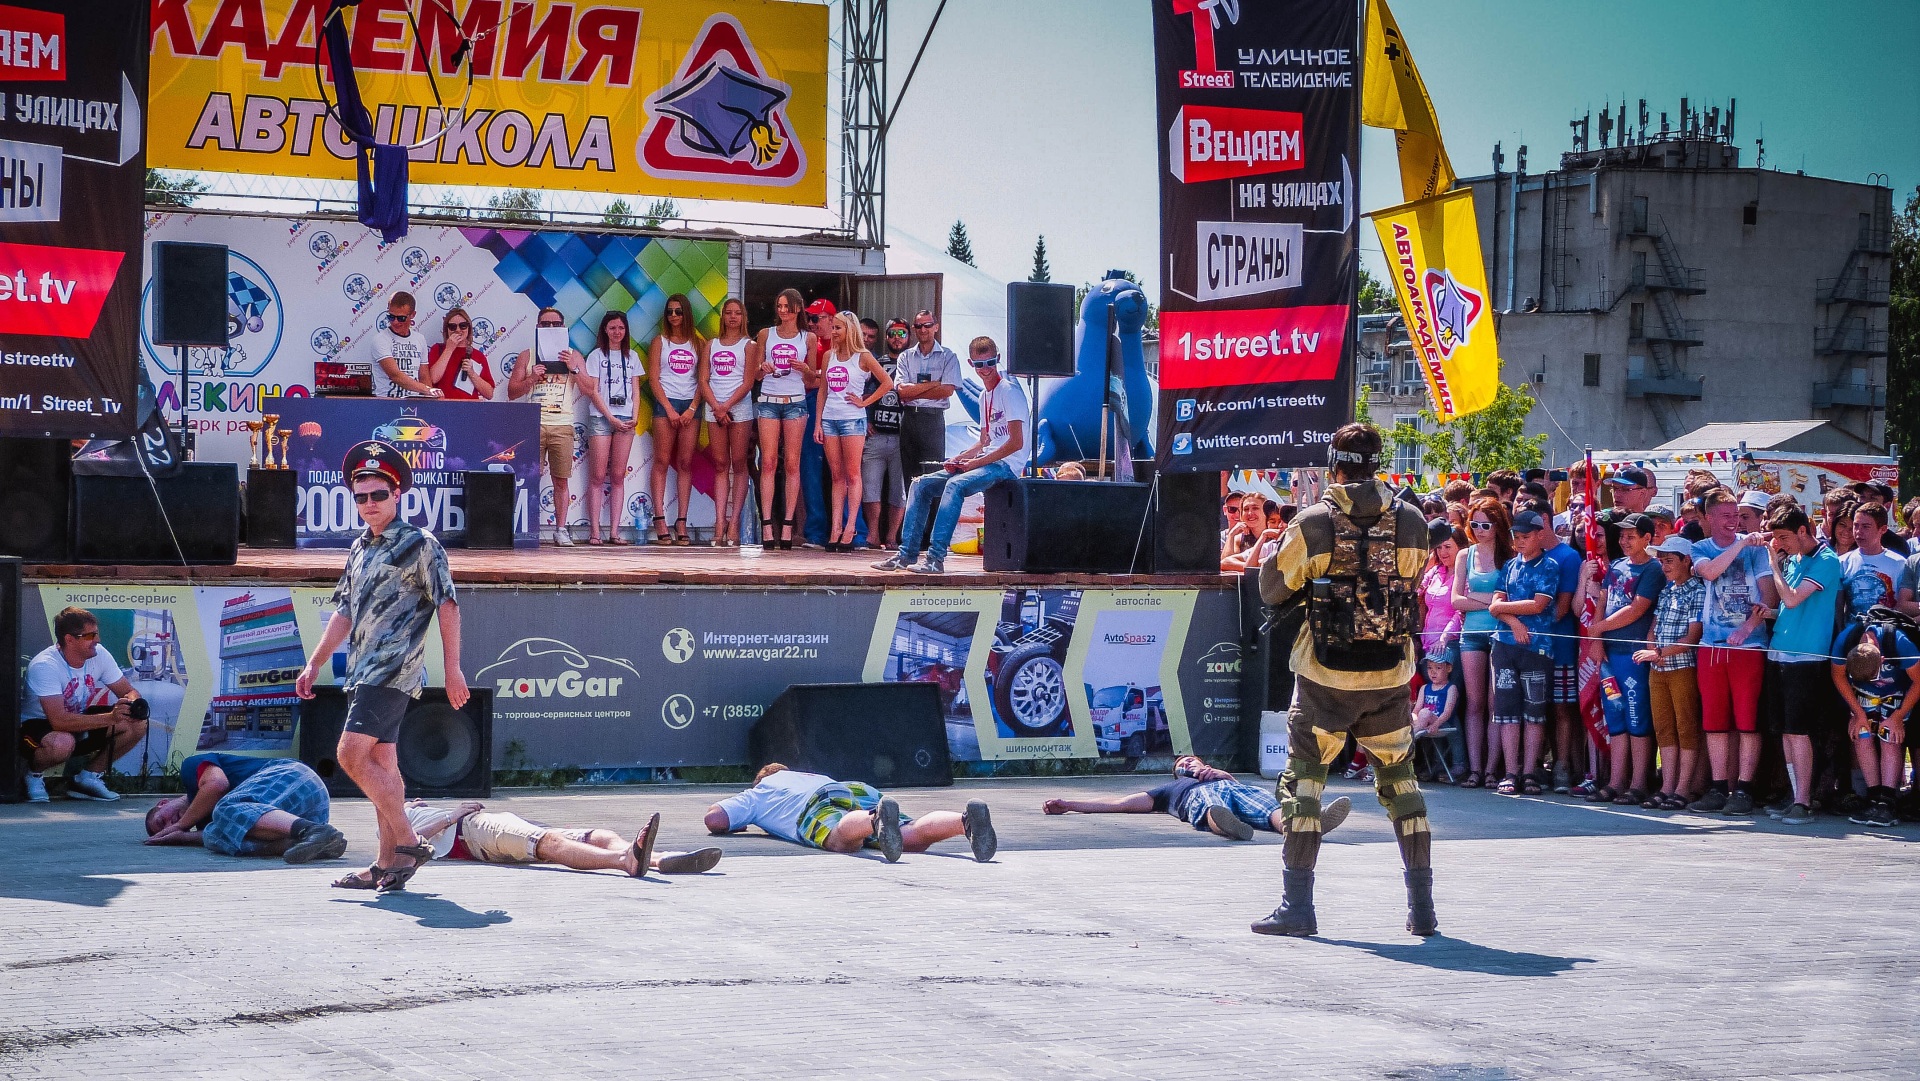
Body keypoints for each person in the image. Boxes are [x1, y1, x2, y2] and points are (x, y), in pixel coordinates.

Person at [1253, 422, 1436, 938]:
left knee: (1303, 785)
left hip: (1324, 677)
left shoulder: (1313, 522)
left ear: (1334, 465)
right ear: (1378, 464)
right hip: (1390, 674)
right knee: (1401, 784)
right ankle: (1422, 909)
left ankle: (1297, 907)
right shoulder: (1414, 521)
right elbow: (1409, 583)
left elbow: (1271, 589)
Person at [294, 440, 467, 894]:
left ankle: (409, 841)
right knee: (381, 765)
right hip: (361, 670)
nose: (369, 503)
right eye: (361, 497)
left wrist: (453, 670)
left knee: (350, 755)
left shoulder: (420, 544)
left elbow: (448, 606)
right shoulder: (359, 547)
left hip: (393, 669)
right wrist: (314, 663)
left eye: (378, 495)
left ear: (397, 495)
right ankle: (386, 864)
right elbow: (344, 611)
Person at [873, 337, 1027, 575]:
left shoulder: (1009, 391)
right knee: (920, 484)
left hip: (1005, 465)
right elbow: (984, 441)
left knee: (955, 485)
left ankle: (935, 558)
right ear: (971, 364)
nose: (985, 369)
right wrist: (959, 458)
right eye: (979, 364)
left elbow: (1016, 443)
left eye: (990, 363)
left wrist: (975, 463)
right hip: (987, 461)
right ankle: (906, 554)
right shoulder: (985, 396)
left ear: (998, 359)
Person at [1687, 487, 1779, 815]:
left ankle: (1744, 788)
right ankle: (1717, 786)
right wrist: (1739, 543)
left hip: (1749, 646)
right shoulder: (1700, 547)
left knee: (1747, 721)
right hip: (1712, 645)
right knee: (1714, 721)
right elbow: (1710, 572)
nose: (1733, 521)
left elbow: (1769, 597)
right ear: (1709, 517)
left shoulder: (1757, 551)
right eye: (1726, 515)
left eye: (1737, 515)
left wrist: (1747, 629)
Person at [703, 763, 996, 863]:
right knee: (911, 836)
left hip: (816, 803)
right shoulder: (805, 775)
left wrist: (738, 822)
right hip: (849, 788)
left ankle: (874, 819)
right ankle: (964, 822)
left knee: (839, 839)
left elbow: (714, 819)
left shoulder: (759, 791)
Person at [1042, 756, 1352, 841]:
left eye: (1191, 760)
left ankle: (1304, 827)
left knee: (1265, 806)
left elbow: (1239, 788)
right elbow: (1120, 804)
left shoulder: (1223, 775)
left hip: (1237, 789)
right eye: (1182, 765)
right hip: (1201, 797)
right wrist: (1070, 805)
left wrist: (1220, 773)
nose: (1188, 765)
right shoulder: (1173, 789)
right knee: (1210, 804)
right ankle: (1227, 826)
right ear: (1178, 775)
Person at [15, 606, 147, 803]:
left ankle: (87, 778)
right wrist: (111, 718)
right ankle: (33, 775)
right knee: (62, 743)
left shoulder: (99, 654)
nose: (97, 640)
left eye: (97, 634)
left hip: (77, 719)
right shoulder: (45, 665)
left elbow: (129, 691)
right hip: (38, 725)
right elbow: (59, 721)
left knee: (137, 724)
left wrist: (132, 703)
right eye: (90, 635)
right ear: (69, 639)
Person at [1763, 502, 1842, 823]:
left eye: (1784, 536)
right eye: (1776, 538)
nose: (1779, 543)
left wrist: (1773, 566)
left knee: (1799, 731)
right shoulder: (1794, 559)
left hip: (1807, 657)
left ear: (1802, 531)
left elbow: (1793, 598)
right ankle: (1794, 795)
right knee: (1785, 731)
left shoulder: (1827, 559)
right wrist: (1767, 613)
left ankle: (1804, 801)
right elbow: (1787, 606)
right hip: (1779, 651)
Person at [403, 800, 725, 876]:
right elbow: (409, 842)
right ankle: (625, 860)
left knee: (597, 835)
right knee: (550, 845)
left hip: (483, 836)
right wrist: (454, 815)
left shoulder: (414, 807)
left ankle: (658, 859)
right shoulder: (395, 814)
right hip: (473, 831)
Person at [1583, 513, 1664, 805]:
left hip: (1634, 654)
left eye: (1631, 536)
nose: (1624, 541)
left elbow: (1637, 609)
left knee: (1636, 716)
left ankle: (1639, 782)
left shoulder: (1653, 570)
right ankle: (1616, 781)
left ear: (1647, 538)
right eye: (1621, 536)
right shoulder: (1616, 566)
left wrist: (1598, 629)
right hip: (1610, 654)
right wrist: (1596, 639)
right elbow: (1603, 602)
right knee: (1615, 716)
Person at [144, 754, 347, 861]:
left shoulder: (191, 767)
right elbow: (213, 835)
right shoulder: (208, 822)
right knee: (215, 838)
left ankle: (311, 831)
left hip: (294, 776)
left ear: (162, 803)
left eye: (162, 820)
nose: (169, 825)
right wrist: (182, 837)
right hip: (312, 812)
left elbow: (217, 785)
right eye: (166, 829)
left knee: (224, 809)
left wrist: (179, 825)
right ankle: (314, 843)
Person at [1487, 509, 1561, 797]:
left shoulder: (1549, 565)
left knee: (1534, 711)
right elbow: (1495, 603)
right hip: (1505, 644)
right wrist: (1514, 622)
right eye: (1516, 536)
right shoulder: (1509, 565)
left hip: (1537, 646)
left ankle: (1530, 771)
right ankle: (1510, 772)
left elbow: (1538, 604)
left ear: (1540, 535)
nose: (1519, 541)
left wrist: (1501, 609)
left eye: (1525, 537)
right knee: (1506, 711)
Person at [506, 307, 592, 547]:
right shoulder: (527, 355)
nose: (551, 328)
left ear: (564, 327)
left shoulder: (573, 355)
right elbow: (512, 392)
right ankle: (522, 527)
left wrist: (574, 368)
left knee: (561, 480)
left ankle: (561, 529)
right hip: (533, 422)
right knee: (527, 477)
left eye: (556, 324)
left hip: (562, 424)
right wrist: (531, 378)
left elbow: (589, 389)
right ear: (537, 327)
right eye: (545, 324)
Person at [814, 311, 894, 553]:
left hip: (852, 420)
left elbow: (887, 383)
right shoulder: (828, 356)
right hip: (830, 418)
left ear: (850, 330)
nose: (834, 332)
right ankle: (835, 528)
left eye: (838, 327)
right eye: (833, 327)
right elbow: (823, 391)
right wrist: (818, 423)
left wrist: (864, 402)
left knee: (853, 474)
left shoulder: (863, 356)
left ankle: (850, 528)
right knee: (836, 476)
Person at [1635, 536, 1705, 810]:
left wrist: (1659, 653)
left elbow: (1693, 637)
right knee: (1663, 728)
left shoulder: (1697, 591)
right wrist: (1653, 647)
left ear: (1686, 561)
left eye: (1670, 560)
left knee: (1686, 727)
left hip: (1683, 668)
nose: (1664, 566)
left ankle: (1683, 788)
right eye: (1662, 561)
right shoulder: (1667, 590)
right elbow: (1653, 627)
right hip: (1659, 667)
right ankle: (1667, 786)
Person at [1830, 615, 1919, 828]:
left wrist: (1898, 717)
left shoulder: (1899, 642)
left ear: (1882, 660)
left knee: (1890, 738)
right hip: (1862, 693)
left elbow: (1919, 681)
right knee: (1861, 735)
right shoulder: (1845, 640)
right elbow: (1838, 676)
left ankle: (1887, 801)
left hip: (1896, 691)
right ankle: (1873, 797)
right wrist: (1857, 713)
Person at [1452, 497, 1512, 789]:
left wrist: (1478, 600)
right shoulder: (1465, 554)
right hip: (1472, 634)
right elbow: (1456, 600)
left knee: (1494, 703)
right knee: (1474, 703)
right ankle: (1475, 769)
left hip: (1501, 633)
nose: (1479, 530)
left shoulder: (1510, 555)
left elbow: (1510, 598)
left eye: (1485, 525)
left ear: (1498, 525)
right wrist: (1492, 603)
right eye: (1474, 524)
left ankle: (1491, 769)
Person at [754, 288, 819, 549]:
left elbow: (811, 379)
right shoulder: (765, 334)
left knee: (792, 463)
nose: (783, 311)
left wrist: (805, 368)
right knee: (768, 462)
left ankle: (789, 524)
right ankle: (767, 524)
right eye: (779, 306)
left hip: (795, 401)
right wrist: (763, 367)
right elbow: (756, 375)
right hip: (769, 399)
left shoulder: (808, 337)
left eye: (787, 307)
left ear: (798, 308)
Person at [647, 293, 703, 547]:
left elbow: (703, 380)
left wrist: (692, 408)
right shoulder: (660, 341)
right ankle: (659, 518)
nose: (673, 316)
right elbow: (653, 378)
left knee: (685, 462)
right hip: (665, 403)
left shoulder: (698, 343)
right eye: (669, 311)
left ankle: (681, 520)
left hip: (690, 405)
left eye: (678, 311)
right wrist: (669, 409)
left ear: (686, 313)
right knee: (661, 460)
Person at [700, 297, 757, 547]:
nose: (733, 317)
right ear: (722, 316)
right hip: (714, 407)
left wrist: (727, 406)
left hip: (739, 408)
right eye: (728, 312)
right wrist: (717, 407)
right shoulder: (711, 345)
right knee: (720, 464)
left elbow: (748, 381)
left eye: (737, 313)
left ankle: (734, 523)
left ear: (743, 317)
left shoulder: (749, 345)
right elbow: (703, 379)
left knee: (739, 463)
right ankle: (719, 522)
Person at [583, 311, 642, 545]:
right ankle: (595, 532)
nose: (617, 332)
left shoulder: (632, 356)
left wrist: (634, 417)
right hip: (601, 417)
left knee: (618, 476)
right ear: (605, 331)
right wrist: (610, 417)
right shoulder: (596, 356)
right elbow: (593, 391)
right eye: (612, 328)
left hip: (626, 419)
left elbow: (636, 390)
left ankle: (615, 532)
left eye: (621, 328)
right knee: (598, 476)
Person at [894, 310, 964, 480]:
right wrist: (934, 384)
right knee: (910, 476)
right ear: (914, 328)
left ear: (936, 327)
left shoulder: (948, 356)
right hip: (909, 418)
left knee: (932, 474)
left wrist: (914, 393)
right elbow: (902, 391)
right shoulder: (905, 356)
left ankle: (932, 500)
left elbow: (947, 390)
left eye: (927, 325)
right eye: (918, 326)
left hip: (933, 419)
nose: (923, 329)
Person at [859, 317, 908, 550]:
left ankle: (891, 537)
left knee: (899, 490)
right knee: (870, 487)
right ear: (886, 337)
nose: (897, 338)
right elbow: (862, 392)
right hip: (876, 434)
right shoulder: (875, 362)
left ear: (908, 337)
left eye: (902, 333)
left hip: (902, 436)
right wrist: (866, 418)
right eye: (892, 334)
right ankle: (873, 534)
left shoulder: (911, 363)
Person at [370, 291, 440, 399]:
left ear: (413, 315)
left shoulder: (419, 339)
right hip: (387, 402)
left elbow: (424, 376)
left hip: (415, 402)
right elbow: (395, 375)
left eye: (401, 318)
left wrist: (431, 400)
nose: (395, 322)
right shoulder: (380, 339)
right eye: (391, 317)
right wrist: (427, 390)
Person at [1840, 503, 1904, 619]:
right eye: (1856, 526)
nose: (1858, 531)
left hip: (1887, 627)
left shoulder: (1899, 563)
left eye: (1866, 527)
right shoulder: (1843, 562)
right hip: (1852, 628)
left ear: (1883, 529)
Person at [425, 307, 495, 400]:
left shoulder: (478, 355)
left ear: (469, 328)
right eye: (452, 327)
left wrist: (472, 373)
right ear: (447, 330)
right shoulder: (437, 349)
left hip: (469, 406)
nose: (458, 330)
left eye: (463, 326)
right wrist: (449, 349)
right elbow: (433, 379)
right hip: (443, 405)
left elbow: (489, 394)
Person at [1412, 653, 1459, 747]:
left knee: (1424, 713)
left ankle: (1409, 738)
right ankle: (1410, 733)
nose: (1433, 672)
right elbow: (1416, 710)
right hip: (1423, 723)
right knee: (1408, 714)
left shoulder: (1451, 688)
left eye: (1438, 668)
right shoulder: (1424, 688)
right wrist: (1412, 719)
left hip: (1441, 724)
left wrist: (1436, 724)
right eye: (1429, 668)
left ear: (1449, 668)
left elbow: (1447, 712)